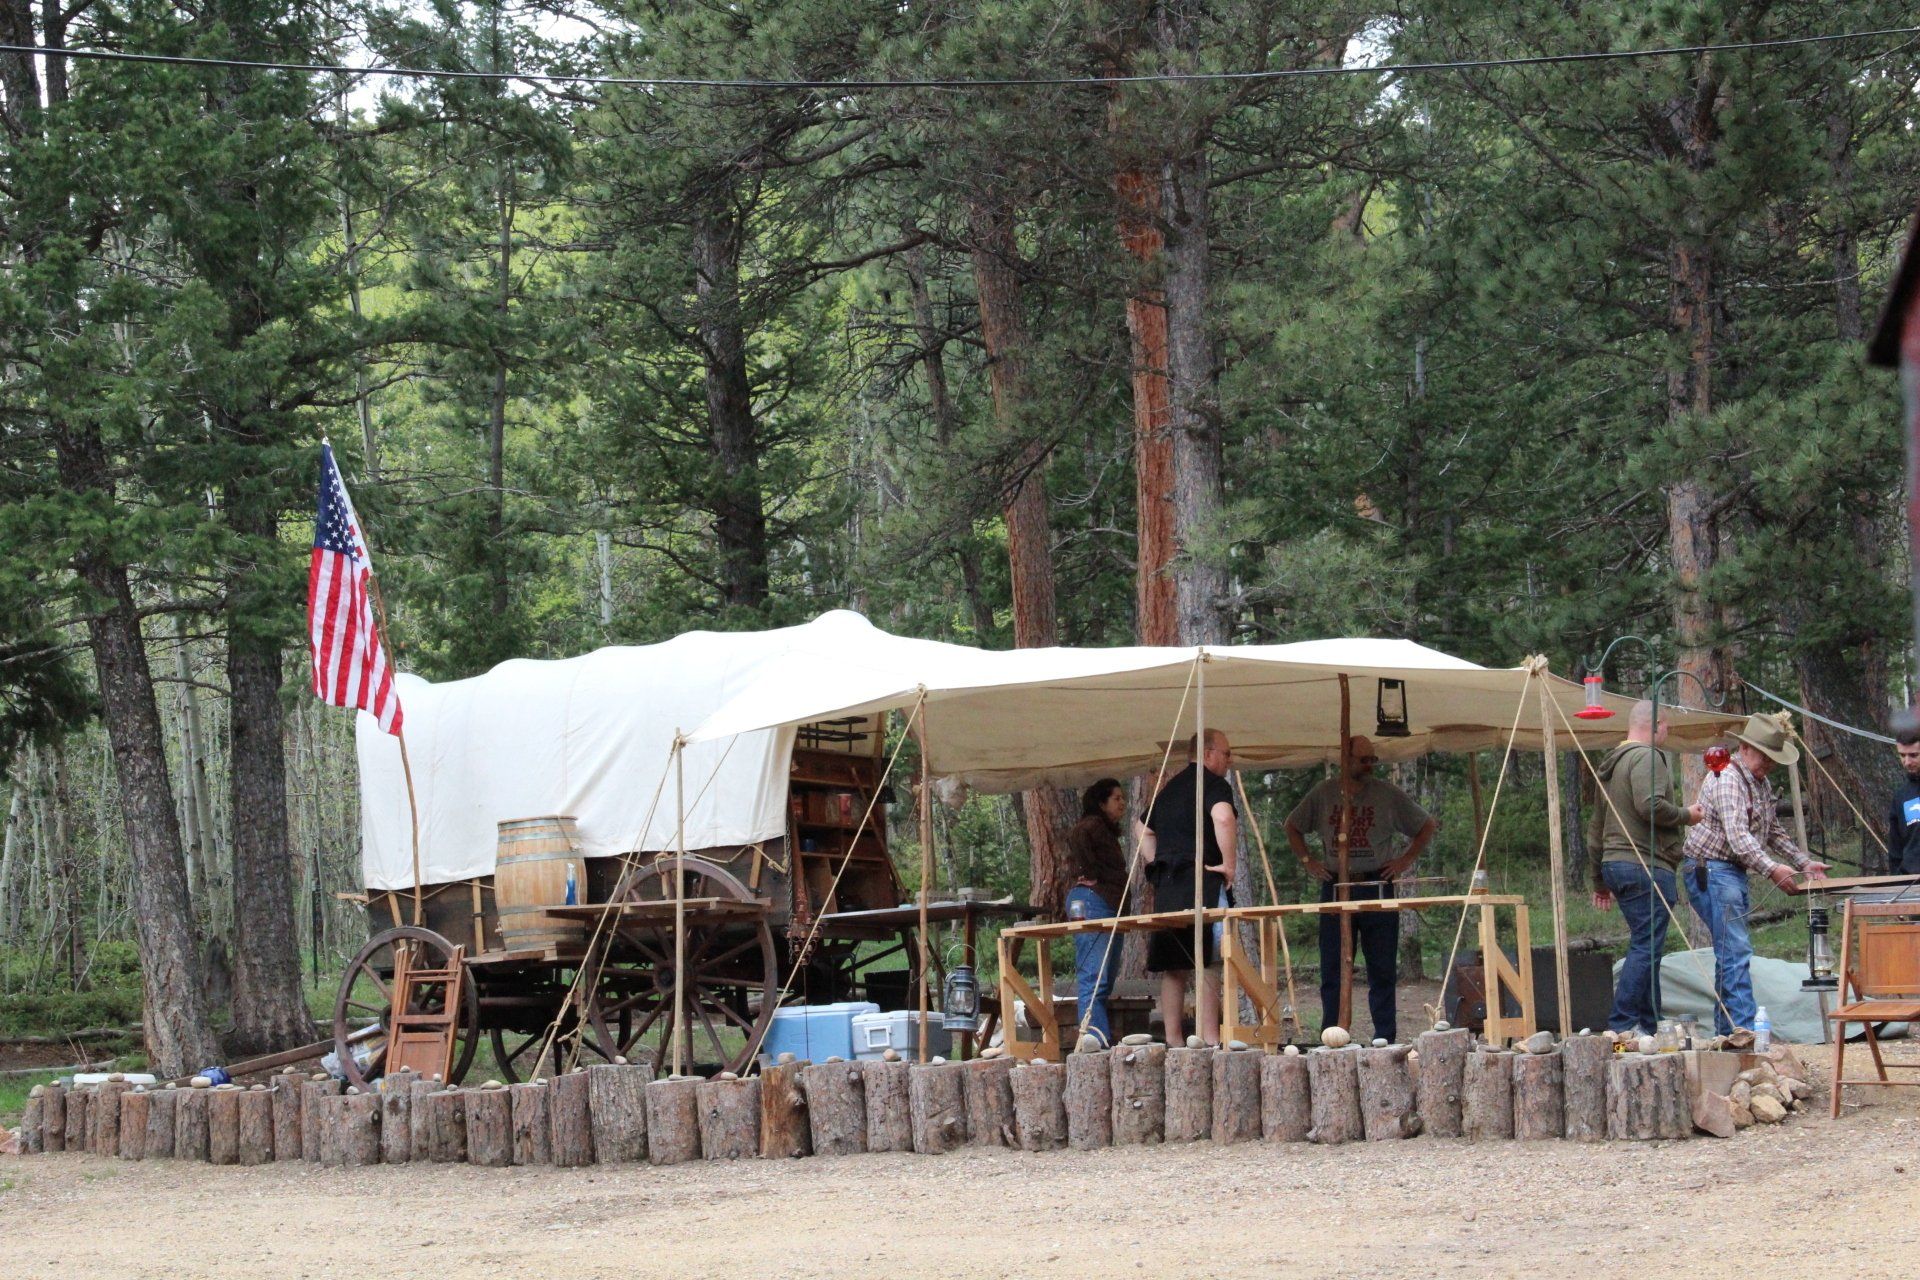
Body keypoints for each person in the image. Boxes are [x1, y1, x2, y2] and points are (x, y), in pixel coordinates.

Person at [1682, 713, 1831, 1036]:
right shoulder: (1727, 778)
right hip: (1711, 869)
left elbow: (1773, 831)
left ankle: (1728, 1033)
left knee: (1729, 951)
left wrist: (1803, 863)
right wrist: (1773, 868)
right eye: (1767, 757)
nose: (1770, 765)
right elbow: (1738, 837)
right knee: (1735, 950)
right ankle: (1746, 1032)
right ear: (1747, 748)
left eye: (1774, 759)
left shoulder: (1759, 782)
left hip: (1727, 871)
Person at [1285, 735, 1435, 1044]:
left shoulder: (1387, 795)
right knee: (1333, 966)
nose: (1369, 766)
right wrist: (1307, 860)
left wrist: (1405, 859)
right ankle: (1333, 1034)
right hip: (1336, 883)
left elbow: (1426, 824)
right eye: (1363, 760)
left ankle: (1384, 1037)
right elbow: (1292, 825)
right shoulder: (1324, 794)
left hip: (1375, 883)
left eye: (1372, 760)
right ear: (1345, 759)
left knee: (1381, 965)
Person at [1588, 701, 1704, 1035]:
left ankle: (1649, 1029)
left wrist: (1599, 880)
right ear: (1656, 724)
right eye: (1666, 726)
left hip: (1615, 864)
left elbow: (1595, 830)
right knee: (1646, 945)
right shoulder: (1648, 757)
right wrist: (1687, 816)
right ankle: (1620, 1029)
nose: (1667, 733)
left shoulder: (1609, 766)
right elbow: (1650, 805)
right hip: (1644, 864)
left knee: (1647, 946)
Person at [1137, 730, 1237, 1047]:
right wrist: (1229, 864)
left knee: (1173, 965)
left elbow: (1142, 827)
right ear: (1208, 753)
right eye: (1226, 753)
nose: (1229, 760)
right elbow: (1222, 818)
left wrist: (1160, 860)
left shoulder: (1170, 789)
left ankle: (1174, 1040)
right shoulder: (1214, 785)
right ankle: (1208, 1038)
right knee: (1209, 961)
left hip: (1168, 887)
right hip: (1203, 880)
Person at [1063, 778, 1129, 1046]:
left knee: (1105, 974)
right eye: (1116, 798)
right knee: (1095, 974)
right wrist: (1088, 872)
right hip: (1093, 901)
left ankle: (1097, 1036)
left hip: (1108, 903)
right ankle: (1092, 1036)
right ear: (1101, 803)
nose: (1122, 803)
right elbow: (1077, 836)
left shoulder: (1107, 831)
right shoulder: (1092, 825)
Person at [1885, 721, 1920, 877]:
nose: (1907, 762)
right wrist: (1897, 881)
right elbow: (1895, 849)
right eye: (1902, 755)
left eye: (1913, 755)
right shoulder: (1901, 796)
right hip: (1911, 884)